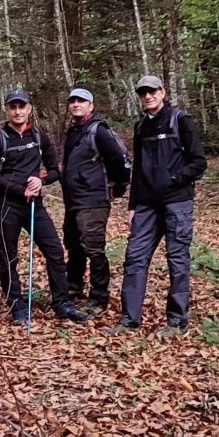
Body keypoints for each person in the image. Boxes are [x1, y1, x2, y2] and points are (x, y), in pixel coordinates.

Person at [106, 76, 207, 339]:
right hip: (146, 204)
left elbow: (199, 162)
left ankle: (177, 321)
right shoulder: (141, 126)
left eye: (152, 91)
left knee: (177, 259)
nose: (148, 96)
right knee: (135, 258)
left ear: (162, 92)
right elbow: (137, 169)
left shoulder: (180, 120)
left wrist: (174, 180)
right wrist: (132, 205)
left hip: (177, 202)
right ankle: (129, 320)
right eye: (143, 93)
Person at [0, 90, 87, 325]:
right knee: (8, 258)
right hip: (7, 205)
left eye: (22, 106)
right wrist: (21, 189)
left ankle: (62, 303)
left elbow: (54, 170)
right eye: (13, 107)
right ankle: (17, 306)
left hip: (34, 205)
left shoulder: (39, 136)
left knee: (55, 251)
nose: (18, 111)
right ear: (7, 110)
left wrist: (41, 180)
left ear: (29, 109)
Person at [60, 88, 130, 318]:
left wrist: (118, 185)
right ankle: (74, 285)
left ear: (91, 105)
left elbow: (120, 159)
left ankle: (99, 296)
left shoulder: (99, 131)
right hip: (73, 200)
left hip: (93, 199)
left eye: (81, 101)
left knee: (93, 247)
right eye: (73, 101)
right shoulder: (73, 132)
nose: (76, 104)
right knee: (73, 244)